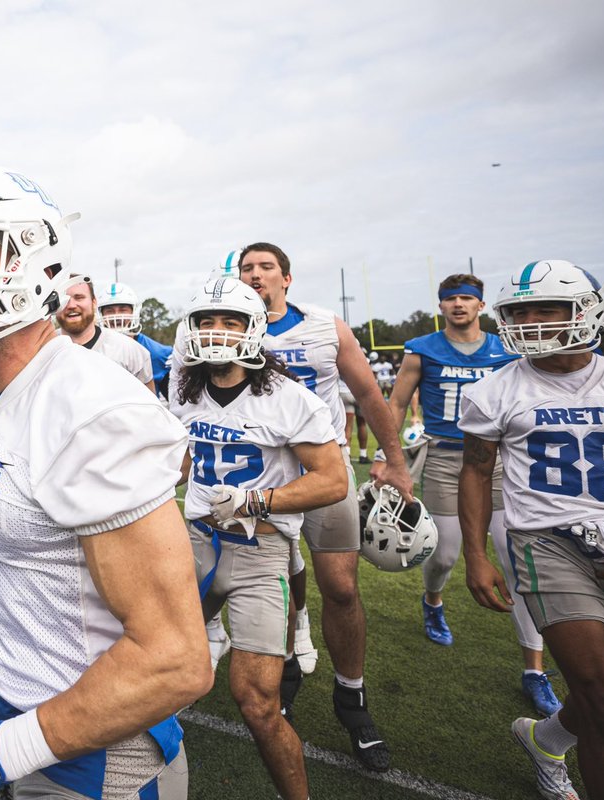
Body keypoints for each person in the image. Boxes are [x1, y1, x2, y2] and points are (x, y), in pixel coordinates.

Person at [0, 166, 211, 799]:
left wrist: (5, 751)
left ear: (41, 267)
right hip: (31, 711)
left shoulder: (89, 408)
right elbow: (33, 528)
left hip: (100, 757)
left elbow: (175, 660)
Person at [459, 260, 604, 800]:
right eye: (520, 312)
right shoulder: (494, 390)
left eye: (546, 309)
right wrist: (476, 556)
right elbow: (477, 470)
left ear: (586, 312)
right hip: (548, 543)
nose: (531, 322)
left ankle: (548, 736)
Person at [234, 241, 413, 771]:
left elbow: (369, 394)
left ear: (286, 278)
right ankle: (285, 670)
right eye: (246, 268)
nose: (256, 274)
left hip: (324, 471)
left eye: (266, 267)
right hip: (263, 474)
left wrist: (395, 459)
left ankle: (351, 696)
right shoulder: (227, 327)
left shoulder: (324, 325)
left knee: (340, 587)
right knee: (277, 585)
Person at [172, 276, 346, 799]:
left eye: (230, 321)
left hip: (259, 548)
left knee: (257, 702)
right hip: (194, 541)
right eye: (207, 321)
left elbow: (333, 480)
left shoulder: (289, 398)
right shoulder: (185, 391)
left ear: (253, 328)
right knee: (155, 664)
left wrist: (257, 500)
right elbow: (180, 464)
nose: (217, 332)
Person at [388, 273, 562, 716]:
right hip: (448, 458)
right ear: (441, 306)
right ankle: (433, 602)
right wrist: (387, 457)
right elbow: (394, 404)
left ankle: (534, 670)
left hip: (505, 461)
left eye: (467, 298)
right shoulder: (422, 349)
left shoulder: (507, 348)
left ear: (481, 305)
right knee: (445, 555)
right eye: (451, 299)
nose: (459, 305)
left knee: (517, 561)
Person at [56, 276, 155, 392]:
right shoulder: (40, 348)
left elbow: (149, 407)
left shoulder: (132, 351)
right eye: (64, 299)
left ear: (94, 302)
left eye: (79, 297)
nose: (71, 305)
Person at [97, 281, 174, 397]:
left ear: (134, 311)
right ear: (100, 314)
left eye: (123, 310)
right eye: (109, 311)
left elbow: (174, 403)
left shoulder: (158, 353)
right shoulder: (93, 349)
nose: (116, 315)